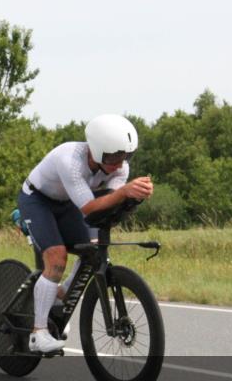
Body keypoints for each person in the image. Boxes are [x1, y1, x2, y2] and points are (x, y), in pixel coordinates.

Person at [17, 114, 154, 353]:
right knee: (57, 257)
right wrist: (124, 193)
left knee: (92, 250)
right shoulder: (69, 160)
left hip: (68, 202)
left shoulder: (118, 168)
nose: (120, 164)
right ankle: (38, 333)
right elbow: (90, 208)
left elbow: (107, 208)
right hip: (37, 200)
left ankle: (60, 295)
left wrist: (135, 198)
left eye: (126, 156)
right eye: (114, 157)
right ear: (97, 151)